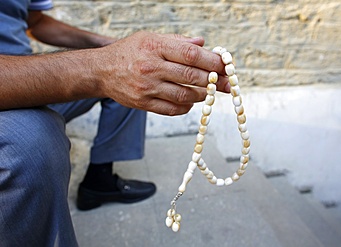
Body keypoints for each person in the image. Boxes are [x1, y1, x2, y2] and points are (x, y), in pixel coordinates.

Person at [0, 0, 230, 246]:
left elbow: (35, 22)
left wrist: (108, 47)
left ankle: (99, 180)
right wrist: (102, 67)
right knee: (33, 147)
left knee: (141, 77)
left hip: (26, 67)